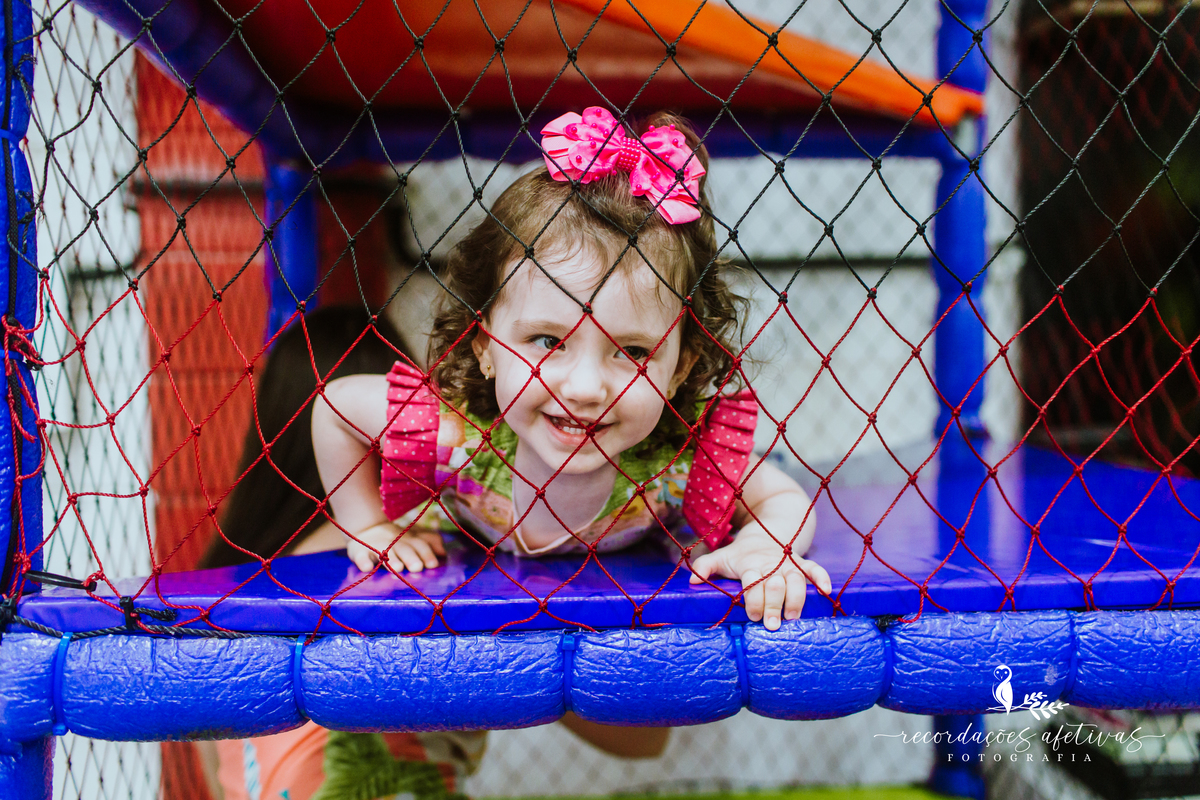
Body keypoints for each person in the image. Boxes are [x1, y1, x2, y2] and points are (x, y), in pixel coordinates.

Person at [312, 107, 831, 631]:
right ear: (485, 346)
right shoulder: (452, 435)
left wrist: (764, 545)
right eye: (548, 341)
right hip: (456, 565)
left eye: (632, 351)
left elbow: (781, 497)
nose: (585, 388)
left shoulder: (678, 461)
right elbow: (334, 407)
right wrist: (367, 525)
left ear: (681, 368)